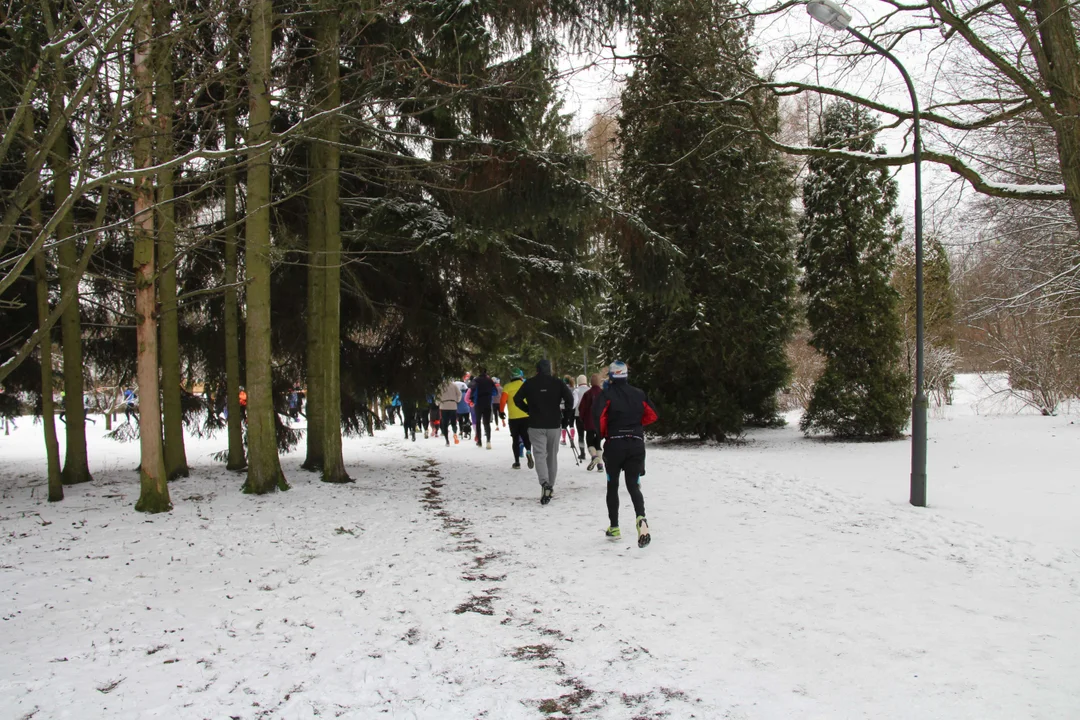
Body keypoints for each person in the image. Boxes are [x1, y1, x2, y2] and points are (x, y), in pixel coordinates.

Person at [592, 360, 657, 548]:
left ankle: (614, 527)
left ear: (611, 375)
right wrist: (636, 424)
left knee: (612, 485)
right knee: (633, 485)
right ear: (626, 374)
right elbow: (653, 414)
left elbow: (598, 416)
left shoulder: (606, 395)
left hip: (615, 444)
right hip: (636, 444)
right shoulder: (639, 394)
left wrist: (604, 433)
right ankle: (641, 519)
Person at [515, 359, 575, 505]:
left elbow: (517, 399)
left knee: (540, 455)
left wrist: (528, 410)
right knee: (552, 456)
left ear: (537, 370)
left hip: (535, 424)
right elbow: (570, 400)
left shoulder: (529, 383)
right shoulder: (558, 383)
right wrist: (566, 417)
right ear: (550, 369)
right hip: (554, 424)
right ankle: (550, 486)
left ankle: (544, 483)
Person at [577, 374, 604, 472]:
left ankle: (594, 457)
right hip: (600, 424)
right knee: (598, 443)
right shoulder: (603, 393)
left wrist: (582, 419)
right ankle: (600, 464)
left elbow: (582, 409)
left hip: (590, 423)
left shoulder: (587, 394)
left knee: (590, 441)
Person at [471, 367, 496, 449]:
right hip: (487, 403)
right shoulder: (490, 380)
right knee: (487, 423)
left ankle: (479, 441)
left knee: (478, 422)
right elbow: (495, 392)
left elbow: (472, 390)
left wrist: (473, 399)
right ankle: (488, 441)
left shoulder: (476, 380)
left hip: (478, 403)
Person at [438, 379, 461, 445]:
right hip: (453, 405)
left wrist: (438, 403)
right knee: (454, 421)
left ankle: (447, 440)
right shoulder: (454, 385)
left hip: (444, 406)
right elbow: (459, 394)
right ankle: (454, 431)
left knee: (445, 424)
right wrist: (457, 401)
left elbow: (437, 396)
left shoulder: (440, 386)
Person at [572, 374, 590, 461]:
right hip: (589, 416)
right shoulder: (590, 390)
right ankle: (592, 451)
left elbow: (574, 404)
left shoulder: (576, 391)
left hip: (579, 415)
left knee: (580, 435)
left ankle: (582, 453)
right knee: (590, 434)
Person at [456, 375, 472, 440]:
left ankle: (461, 430)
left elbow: (457, 401)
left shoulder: (458, 395)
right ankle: (466, 431)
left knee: (460, 421)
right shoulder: (467, 394)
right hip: (466, 410)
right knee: (466, 420)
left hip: (459, 410)